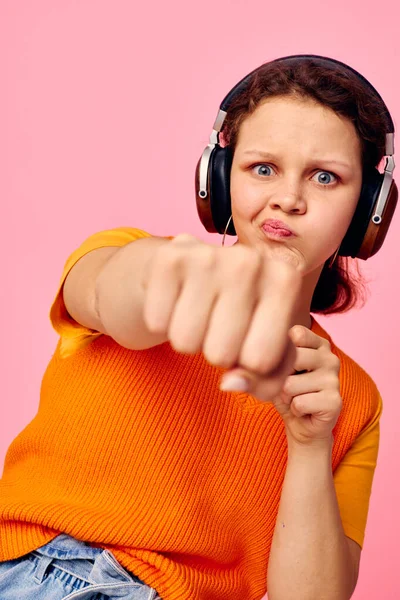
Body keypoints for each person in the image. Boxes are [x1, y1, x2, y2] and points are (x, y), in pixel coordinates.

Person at [0, 54, 397, 600]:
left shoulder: (351, 400)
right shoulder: (127, 253)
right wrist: (174, 282)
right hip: (26, 573)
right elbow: (116, 296)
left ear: (367, 212)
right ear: (219, 177)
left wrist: (309, 442)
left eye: (325, 177)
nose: (288, 198)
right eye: (263, 168)